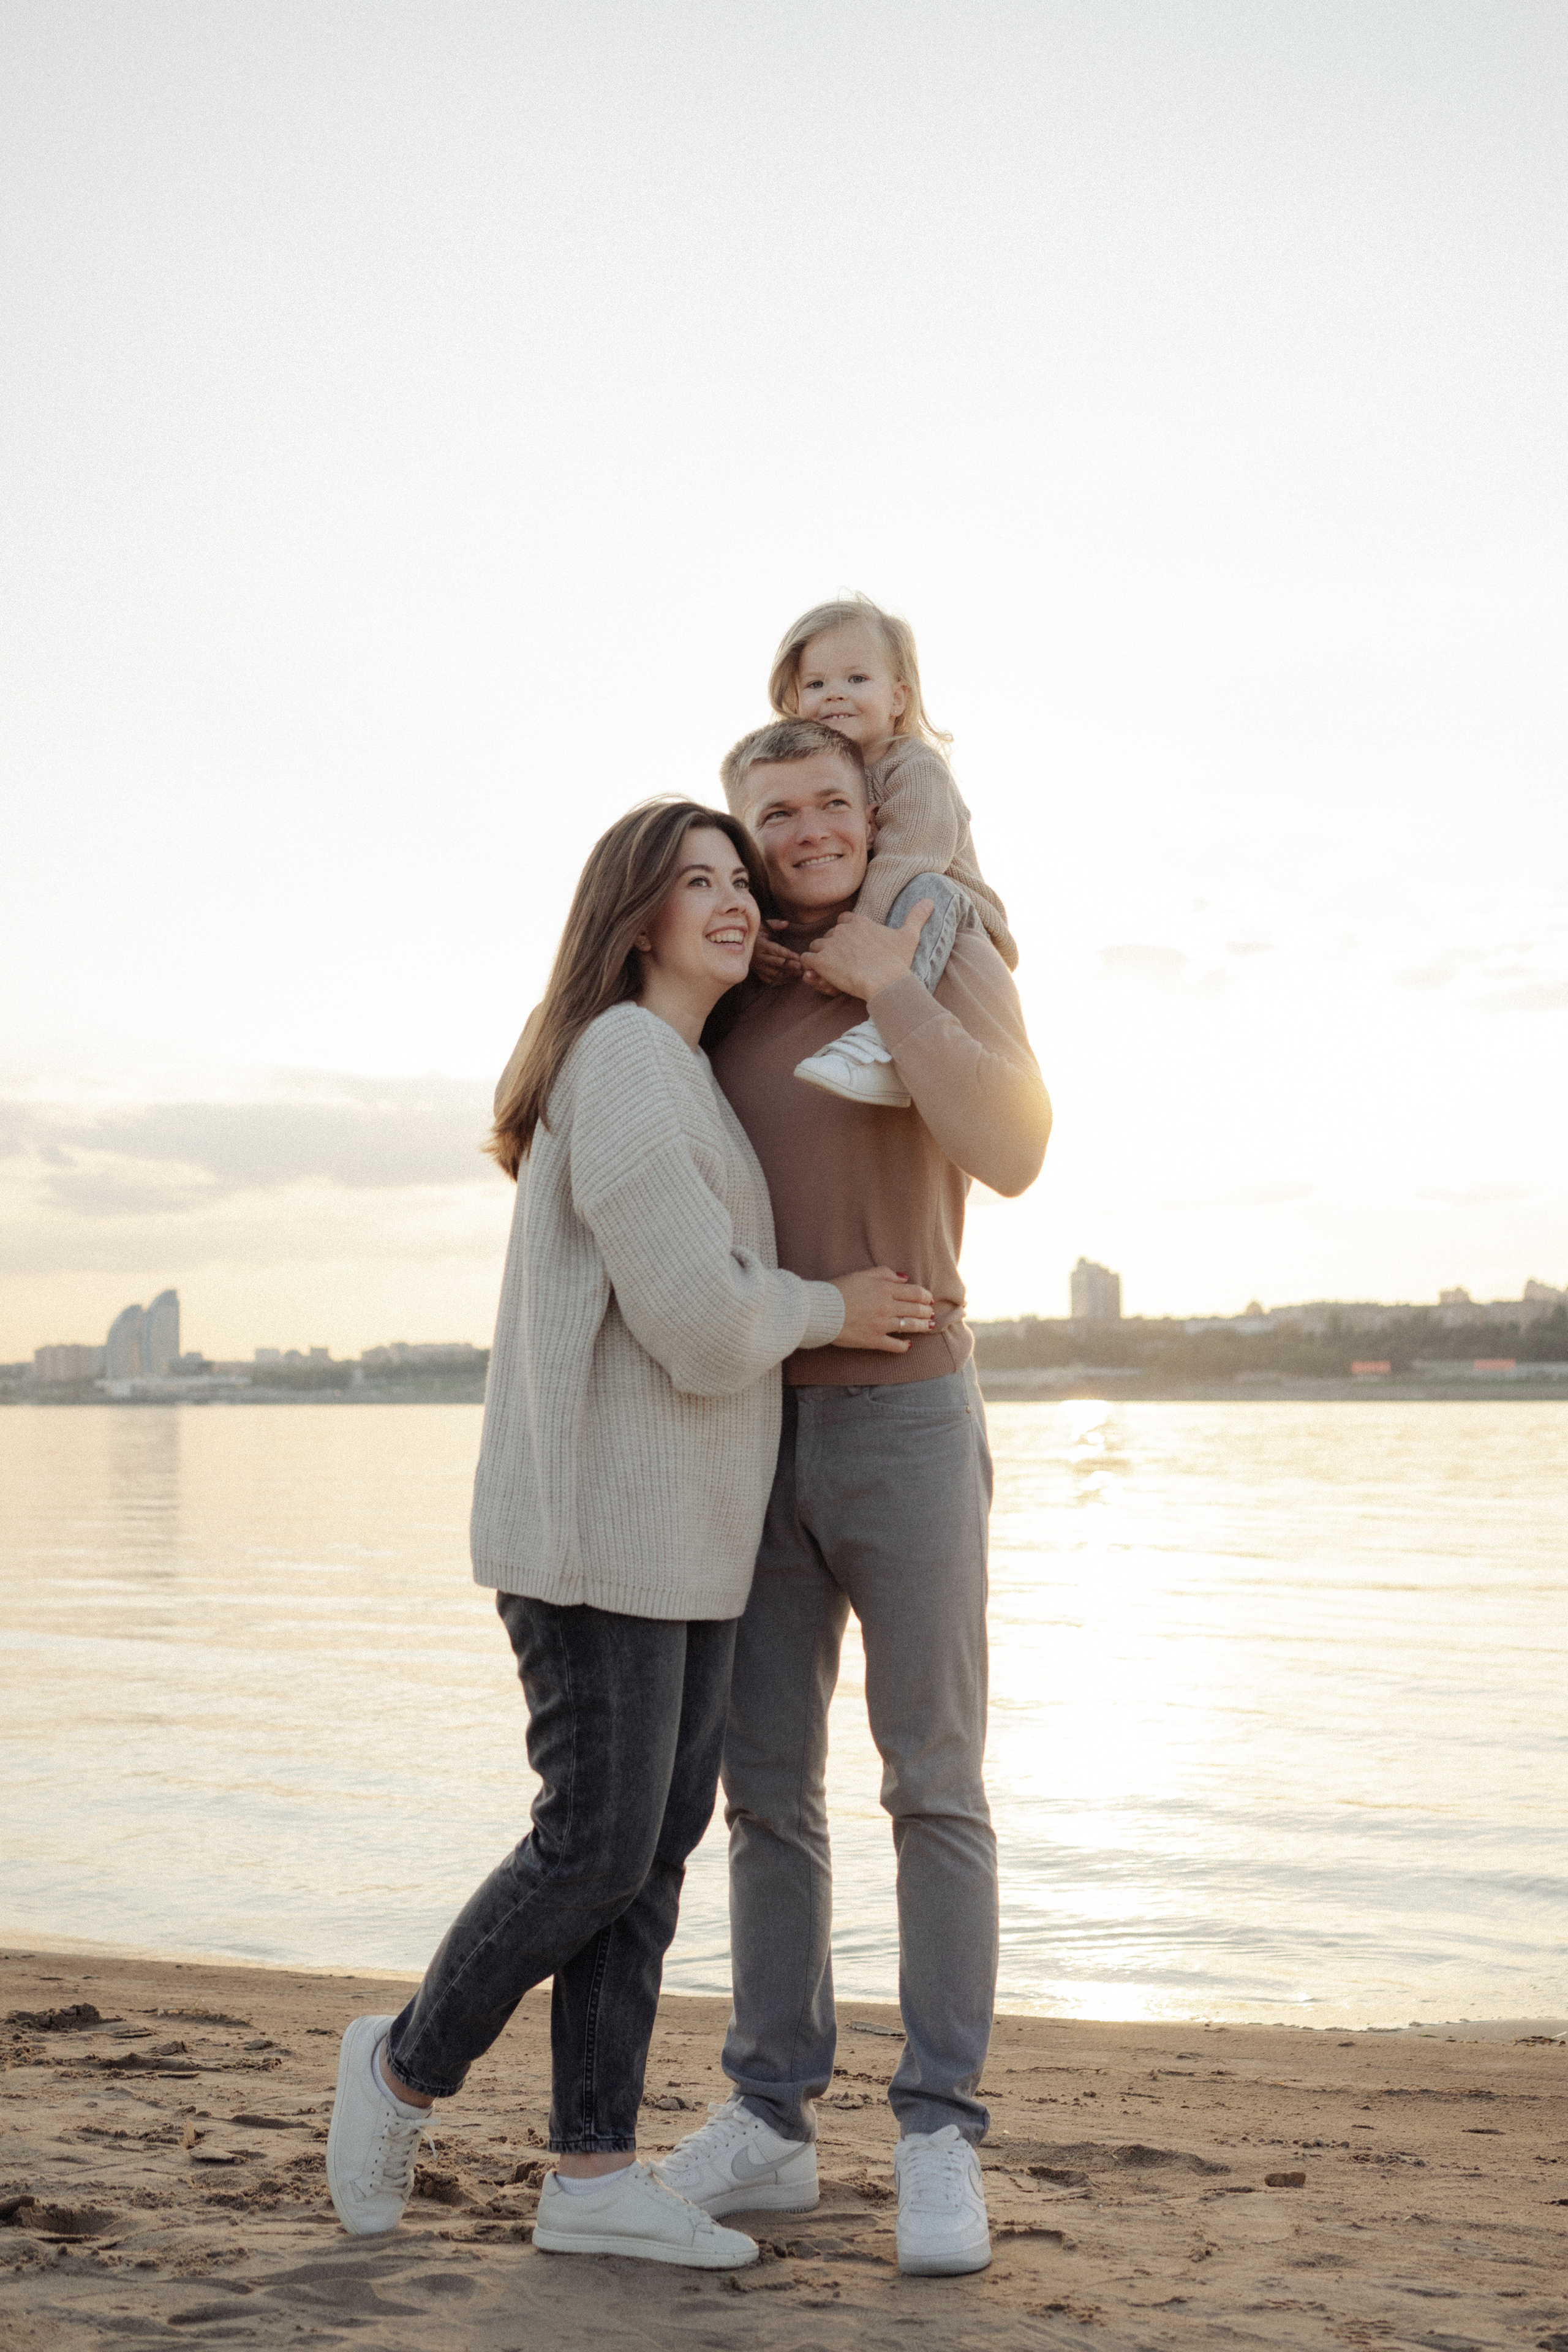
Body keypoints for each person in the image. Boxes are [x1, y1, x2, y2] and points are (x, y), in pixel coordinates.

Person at [324, 796, 936, 2269]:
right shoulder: (623, 1064)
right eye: (698, 882)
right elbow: (698, 1315)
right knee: (592, 1846)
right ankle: (401, 2061)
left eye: (740, 879)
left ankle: (593, 2166)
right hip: (595, 1541)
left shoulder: (682, 1071)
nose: (732, 900)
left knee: (647, 1856)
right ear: (633, 916)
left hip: (683, 1546)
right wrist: (827, 1307)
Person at [653, 722, 1050, 2278]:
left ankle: (940, 2129)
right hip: (749, 1430)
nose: (805, 826)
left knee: (932, 1783)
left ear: (864, 810)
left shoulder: (939, 940)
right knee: (766, 1794)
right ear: (744, 835)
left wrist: (891, 978)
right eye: (776, 811)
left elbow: (1014, 1148)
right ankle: (769, 2119)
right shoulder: (728, 989)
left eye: (830, 801)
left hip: (905, 1421)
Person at [753, 594, 1018, 1109]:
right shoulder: (815, 779)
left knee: (926, 886)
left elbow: (906, 858)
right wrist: (760, 926)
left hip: (950, 914)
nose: (834, 695)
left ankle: (882, 1043)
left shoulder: (914, 766)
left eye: (856, 680)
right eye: (816, 684)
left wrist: (856, 942)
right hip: (878, 920)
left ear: (898, 699)